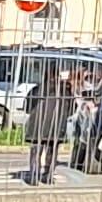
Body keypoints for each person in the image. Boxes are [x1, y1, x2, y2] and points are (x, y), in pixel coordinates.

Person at [19, 55, 74, 184]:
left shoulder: (38, 89)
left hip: (38, 125)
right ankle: (48, 176)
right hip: (56, 125)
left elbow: (27, 106)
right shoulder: (65, 91)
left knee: (36, 151)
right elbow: (72, 108)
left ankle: (34, 176)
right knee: (52, 150)